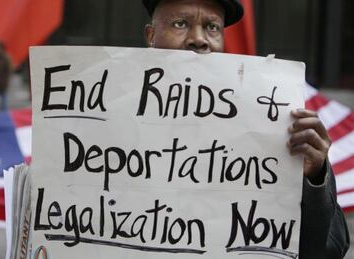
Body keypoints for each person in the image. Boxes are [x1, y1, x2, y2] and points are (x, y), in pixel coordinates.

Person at [141, 0, 350, 258]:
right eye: (180, 24)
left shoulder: (273, 122)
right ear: (151, 36)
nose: (199, 39)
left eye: (212, 27)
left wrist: (313, 179)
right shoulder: (101, 112)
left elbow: (330, 250)